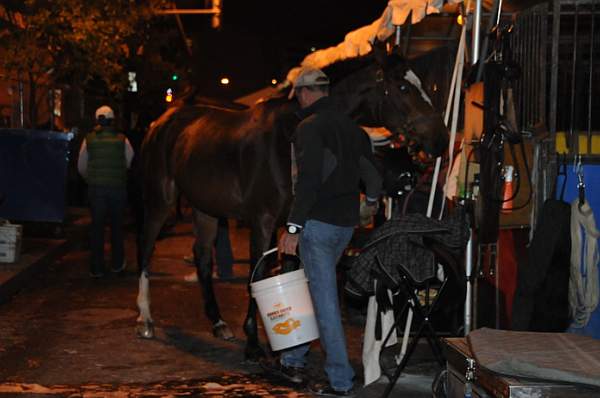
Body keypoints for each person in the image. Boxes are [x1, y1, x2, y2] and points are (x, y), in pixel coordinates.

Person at [264, 67, 382, 397]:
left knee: (325, 300)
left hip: (317, 226)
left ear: (305, 92)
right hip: (345, 226)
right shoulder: (355, 131)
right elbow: (373, 179)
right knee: (313, 287)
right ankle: (294, 356)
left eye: (299, 94)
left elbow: (309, 181)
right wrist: (369, 203)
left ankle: (341, 380)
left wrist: (292, 227)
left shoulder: (309, 128)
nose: (298, 100)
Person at [78, 105, 134, 278]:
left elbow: (81, 166)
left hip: (97, 190)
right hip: (117, 188)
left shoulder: (88, 139)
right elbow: (129, 161)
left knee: (97, 228)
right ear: (112, 120)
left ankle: (97, 267)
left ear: (97, 120)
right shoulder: (122, 139)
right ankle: (117, 264)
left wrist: (91, 178)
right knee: (117, 227)